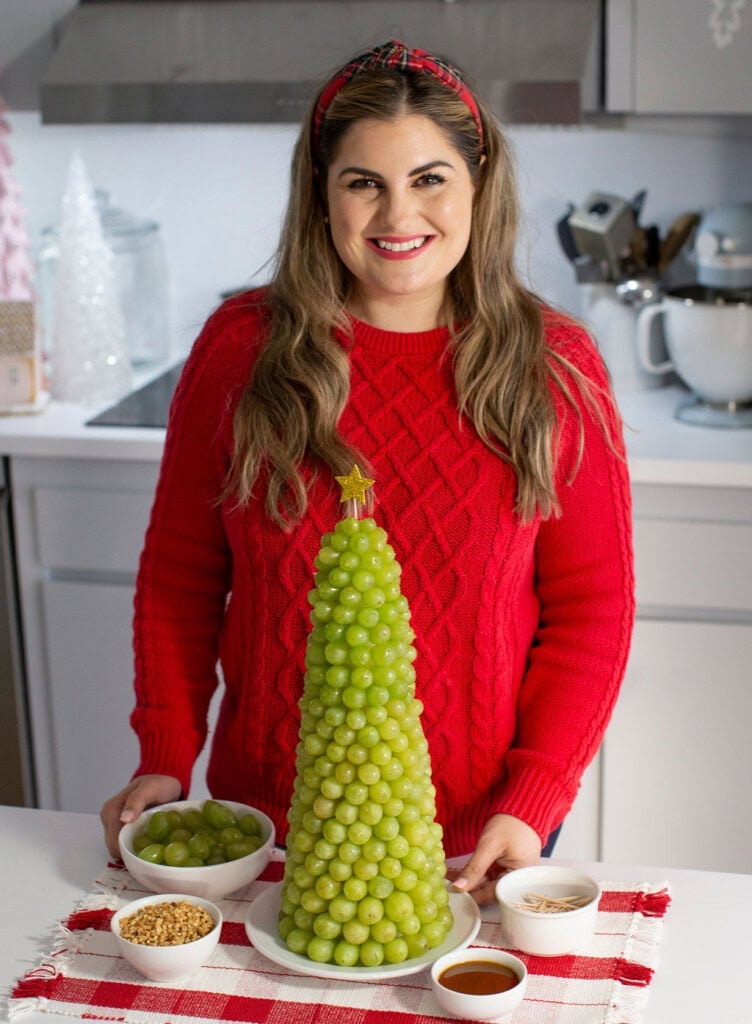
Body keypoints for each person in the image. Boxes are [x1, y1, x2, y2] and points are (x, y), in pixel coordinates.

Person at [101, 40, 634, 905]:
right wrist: (164, 754)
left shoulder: (553, 365)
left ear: (477, 186)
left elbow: (592, 610)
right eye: (363, 182)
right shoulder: (242, 349)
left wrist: (537, 797)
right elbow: (181, 576)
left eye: (429, 179)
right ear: (321, 193)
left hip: (482, 837)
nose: (398, 213)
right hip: (269, 831)